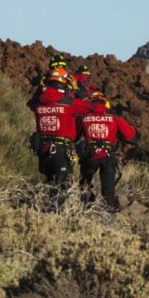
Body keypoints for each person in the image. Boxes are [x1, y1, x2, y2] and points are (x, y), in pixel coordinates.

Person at [27, 66, 94, 201]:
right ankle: (54, 216)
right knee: (61, 190)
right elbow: (89, 108)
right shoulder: (67, 103)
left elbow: (30, 103)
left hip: (43, 151)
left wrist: (42, 88)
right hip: (60, 151)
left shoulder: (39, 103)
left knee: (51, 185)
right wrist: (76, 91)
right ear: (63, 84)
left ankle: (47, 213)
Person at [78, 91, 138, 210]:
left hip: (89, 156)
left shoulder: (84, 118)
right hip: (108, 156)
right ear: (105, 103)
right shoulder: (114, 117)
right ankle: (108, 214)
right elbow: (131, 137)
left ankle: (85, 209)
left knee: (85, 183)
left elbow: (74, 136)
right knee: (108, 188)